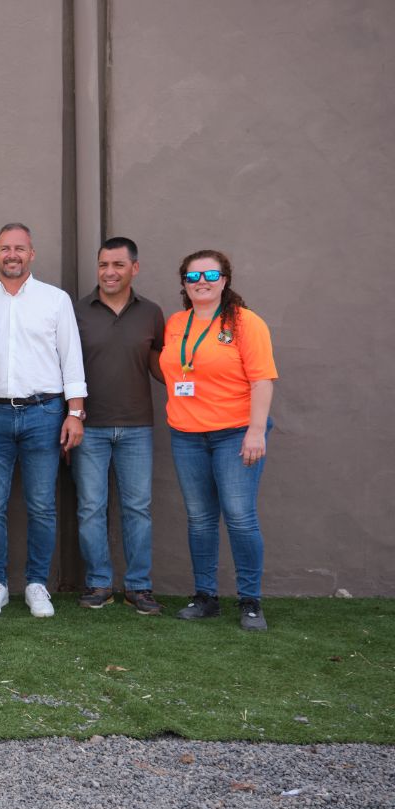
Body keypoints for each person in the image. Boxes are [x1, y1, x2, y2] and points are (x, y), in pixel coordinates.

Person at [0, 223, 87, 619]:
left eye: (19, 248)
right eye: (5, 248)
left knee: (41, 505)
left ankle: (37, 584)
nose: (12, 255)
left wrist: (75, 413)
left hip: (44, 413)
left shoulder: (55, 300)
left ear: (31, 254)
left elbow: (71, 359)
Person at [161, 249, 277, 631]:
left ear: (224, 280)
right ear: (184, 284)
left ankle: (250, 601)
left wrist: (256, 431)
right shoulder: (177, 323)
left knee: (240, 517)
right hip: (186, 435)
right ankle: (205, 597)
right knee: (200, 519)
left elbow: (262, 380)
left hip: (235, 433)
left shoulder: (245, 322)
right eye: (193, 277)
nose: (202, 283)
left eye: (210, 275)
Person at [72, 237, 166, 615]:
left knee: (138, 509)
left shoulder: (152, 313)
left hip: (137, 426)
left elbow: (162, 365)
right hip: (88, 427)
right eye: (103, 265)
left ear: (134, 269)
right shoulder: (77, 311)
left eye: (118, 265)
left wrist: (197, 383)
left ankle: (138, 586)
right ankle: (99, 583)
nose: (109, 272)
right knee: (90, 509)